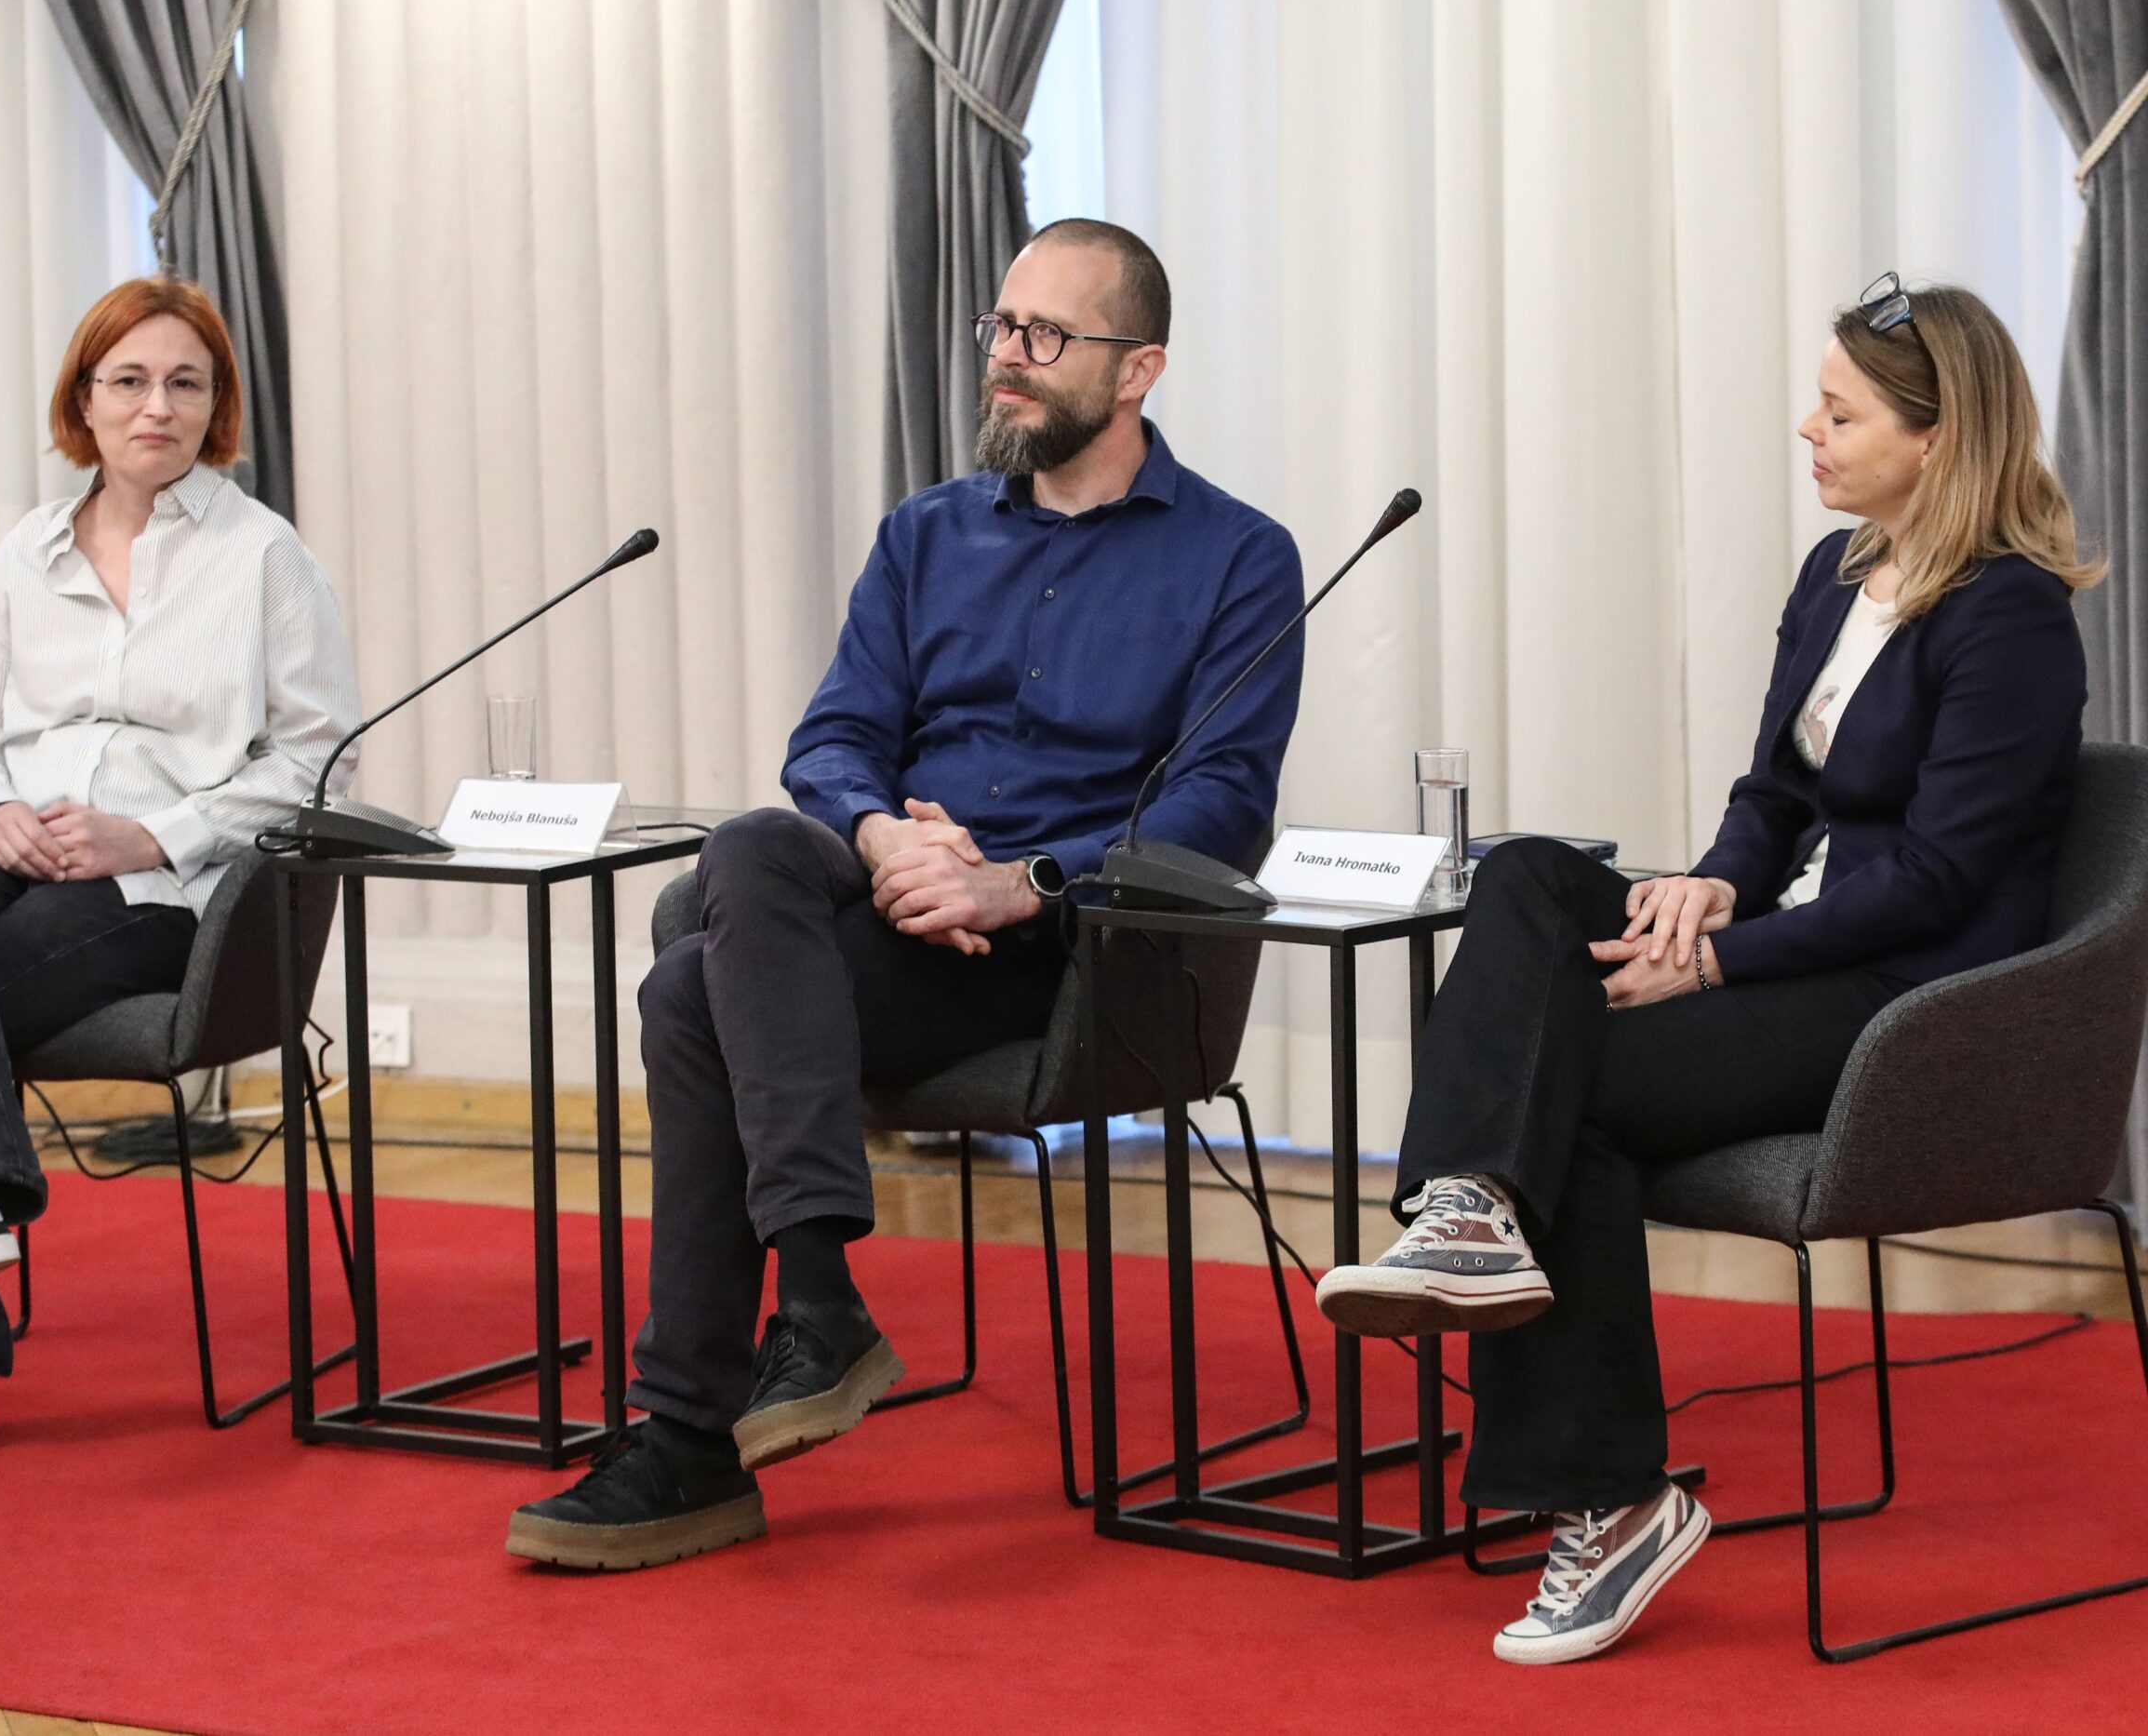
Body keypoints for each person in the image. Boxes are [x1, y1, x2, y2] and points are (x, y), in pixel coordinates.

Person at [1313, 276, 2097, 1664]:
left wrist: (1719, 961)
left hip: (1902, 1002)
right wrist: (1712, 882)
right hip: (1789, 938)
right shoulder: (1839, 573)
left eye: (1841, 410)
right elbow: (1771, 792)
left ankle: (1601, 1483)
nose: (1809, 427)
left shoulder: (2012, 618)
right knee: (1529, 875)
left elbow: (1938, 884)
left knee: (1579, 1093)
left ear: (1936, 437)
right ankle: (1471, 1210)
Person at [506, 220, 1306, 1570]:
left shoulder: (1239, 557)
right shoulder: (925, 534)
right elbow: (832, 740)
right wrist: (883, 840)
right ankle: (815, 1296)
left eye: (1045, 338)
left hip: (1065, 960)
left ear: (1138, 370)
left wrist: (1023, 882)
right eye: (1000, 327)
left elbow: (1219, 808)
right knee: (758, 841)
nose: (1006, 359)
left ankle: (696, 1434)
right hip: (887, 923)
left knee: (690, 989)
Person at [0, 276, 362, 1473]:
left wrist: (156, 833)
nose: (155, 404)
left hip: (163, 897)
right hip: (13, 853)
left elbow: (321, 756)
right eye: (129, 380)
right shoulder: (28, 552)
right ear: (85, 399)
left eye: (184, 382)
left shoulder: (264, 557)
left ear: (215, 405)